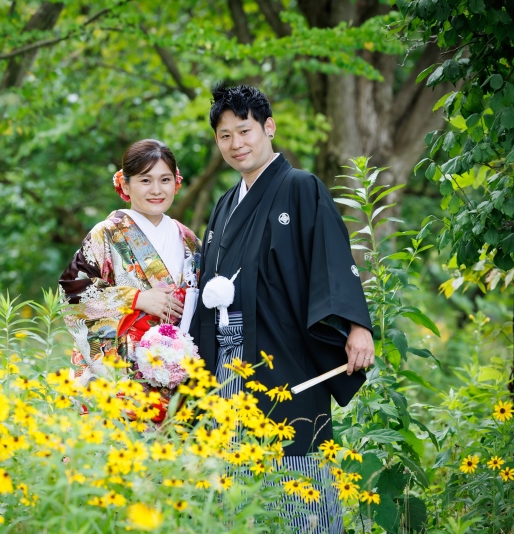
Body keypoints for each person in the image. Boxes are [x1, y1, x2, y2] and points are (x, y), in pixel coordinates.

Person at [189, 85, 375, 532]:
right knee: (234, 481)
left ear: (268, 127)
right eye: (225, 136)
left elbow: (330, 257)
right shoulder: (223, 205)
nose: (237, 144)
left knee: (299, 468)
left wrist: (356, 326)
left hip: (283, 354)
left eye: (245, 130)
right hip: (226, 362)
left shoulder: (300, 187)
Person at [59, 139, 201, 420]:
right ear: (125, 185)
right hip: (124, 374)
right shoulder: (108, 233)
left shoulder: (189, 241)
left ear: (177, 183)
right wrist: (136, 298)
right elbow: (72, 294)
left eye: (165, 179)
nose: (157, 189)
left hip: (179, 372)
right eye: (145, 180)